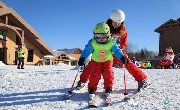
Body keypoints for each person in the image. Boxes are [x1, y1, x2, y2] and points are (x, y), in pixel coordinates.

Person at [76, 9, 148, 92]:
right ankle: (82, 81)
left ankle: (142, 79)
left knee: (127, 62)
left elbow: (123, 44)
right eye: (115, 22)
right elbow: (96, 39)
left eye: (119, 22)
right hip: (102, 51)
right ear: (111, 20)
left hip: (116, 51)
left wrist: (121, 52)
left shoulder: (123, 31)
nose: (117, 24)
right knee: (92, 65)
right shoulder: (104, 27)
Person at [78, 22, 128, 105]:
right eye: (98, 36)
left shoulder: (111, 42)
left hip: (107, 61)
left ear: (108, 34)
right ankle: (92, 89)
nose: (101, 39)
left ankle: (108, 88)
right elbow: (87, 50)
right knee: (95, 75)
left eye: (103, 36)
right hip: (96, 61)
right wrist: (82, 58)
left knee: (108, 74)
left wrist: (122, 57)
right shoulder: (92, 42)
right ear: (94, 35)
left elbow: (116, 50)